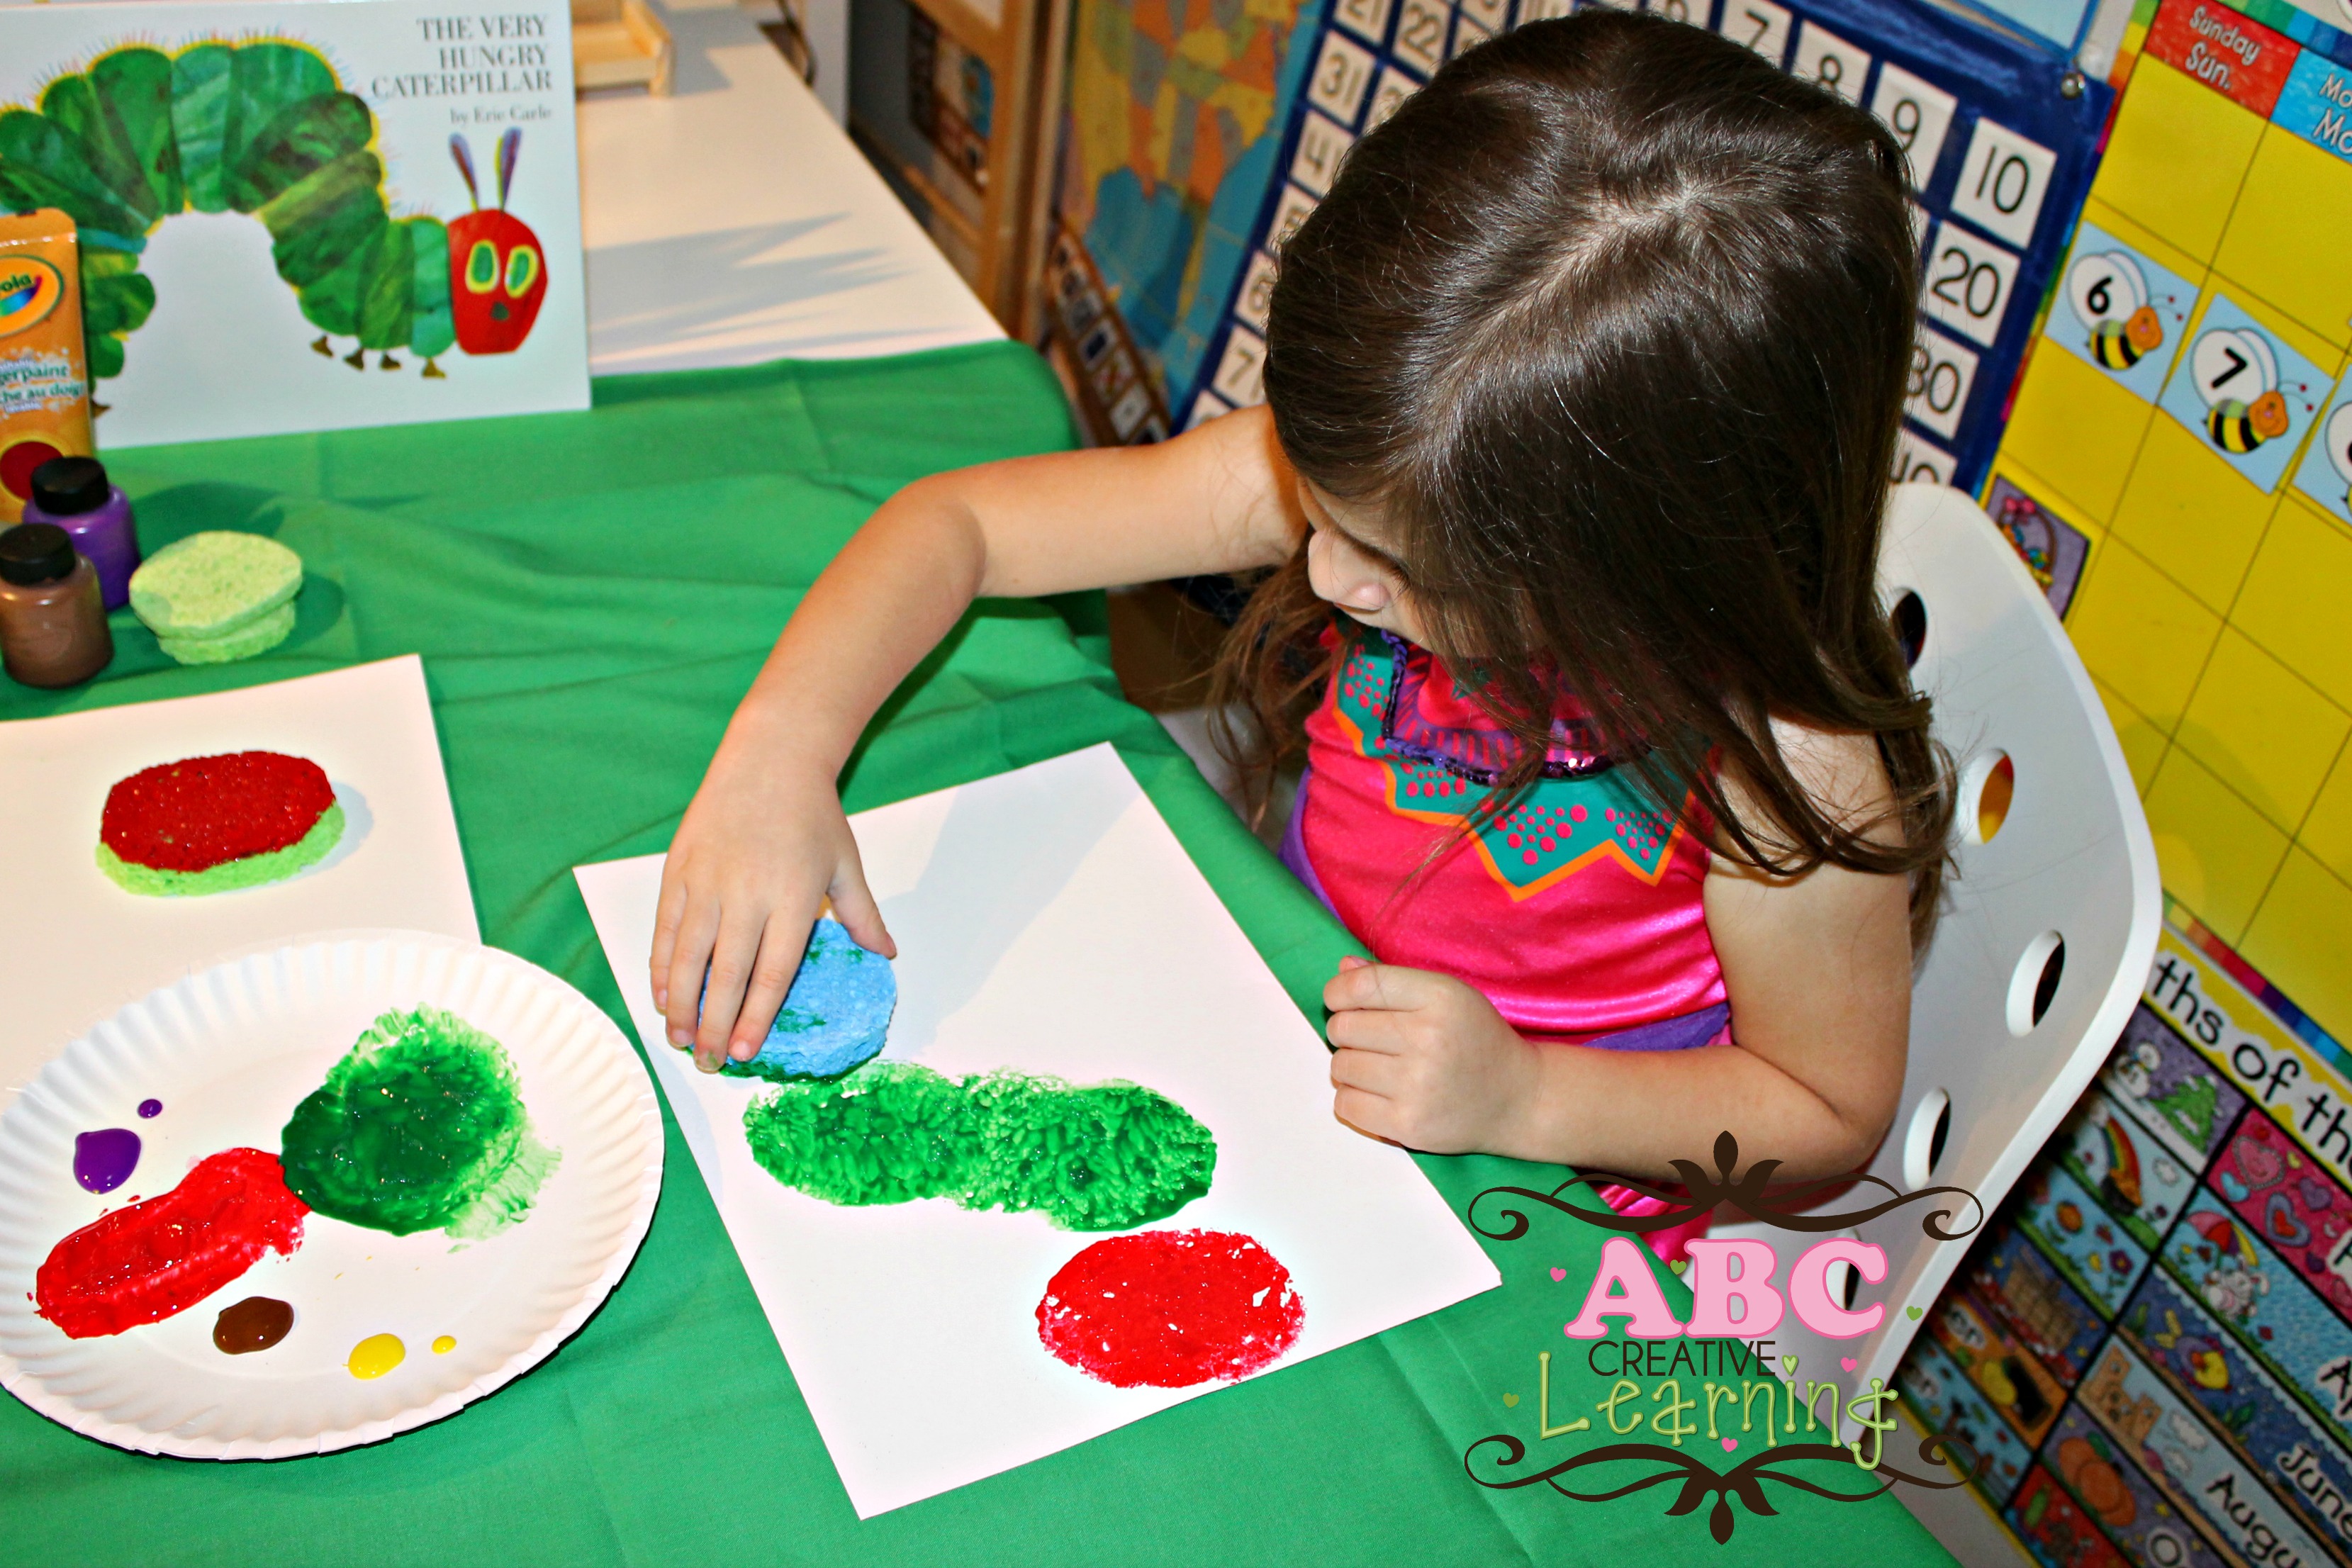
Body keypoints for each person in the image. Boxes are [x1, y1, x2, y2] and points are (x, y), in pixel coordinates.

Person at [648, 11, 1953, 1220]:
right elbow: (958, 527)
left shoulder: (1800, 782)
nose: (1328, 577)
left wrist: (1528, 1096)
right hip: (1281, 1016)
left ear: (1641, 565)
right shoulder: (1413, 478)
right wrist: (780, 754)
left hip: (1542, 1200)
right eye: (1316, 514)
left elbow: (1825, 1113)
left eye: (1387, 562)